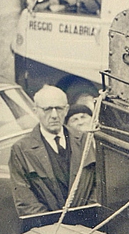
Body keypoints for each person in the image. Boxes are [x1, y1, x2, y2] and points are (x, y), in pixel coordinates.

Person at [10, 86, 96, 218]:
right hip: (47, 231)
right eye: (47, 109)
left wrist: (85, 218)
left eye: (59, 108)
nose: (54, 115)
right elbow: (25, 202)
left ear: (66, 109)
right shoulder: (22, 149)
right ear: (36, 111)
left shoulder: (84, 139)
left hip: (86, 226)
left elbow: (98, 185)